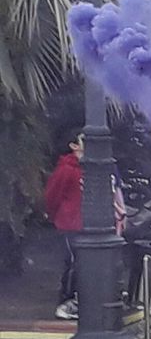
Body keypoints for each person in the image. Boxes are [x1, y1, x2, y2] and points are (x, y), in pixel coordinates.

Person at [44, 131, 86, 321]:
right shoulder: (67, 169)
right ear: (74, 146)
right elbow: (52, 195)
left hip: (85, 224)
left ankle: (76, 300)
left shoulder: (86, 168)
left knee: (82, 263)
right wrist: (55, 216)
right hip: (69, 224)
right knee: (72, 262)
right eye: (82, 140)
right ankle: (65, 302)